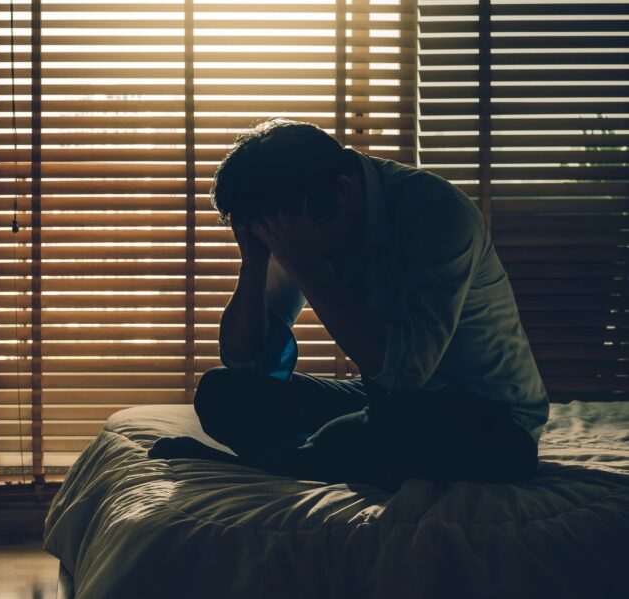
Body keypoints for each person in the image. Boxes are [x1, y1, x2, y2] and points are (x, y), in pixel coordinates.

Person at [149, 119, 547, 487]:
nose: (286, 247)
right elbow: (248, 361)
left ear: (342, 191)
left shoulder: (438, 215)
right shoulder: (303, 212)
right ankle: (303, 458)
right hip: (386, 402)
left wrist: (307, 267)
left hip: (491, 419)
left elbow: (405, 374)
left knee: (375, 429)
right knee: (223, 392)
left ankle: (276, 463)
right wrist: (254, 263)